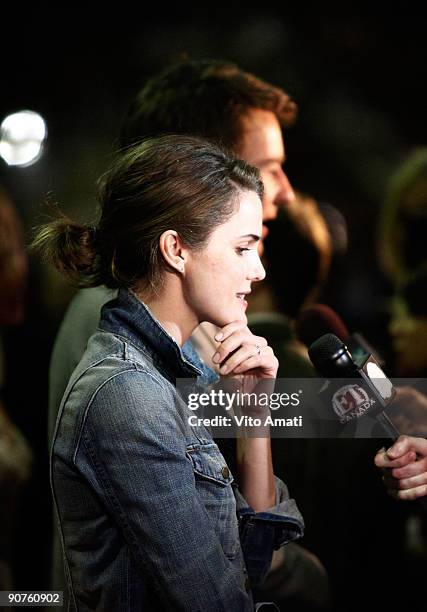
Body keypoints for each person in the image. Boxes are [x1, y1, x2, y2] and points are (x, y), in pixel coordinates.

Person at [36, 135, 304, 610]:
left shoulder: (162, 377)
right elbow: (215, 602)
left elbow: (248, 570)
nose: (259, 270)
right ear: (175, 249)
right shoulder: (127, 394)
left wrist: (254, 419)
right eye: (244, 248)